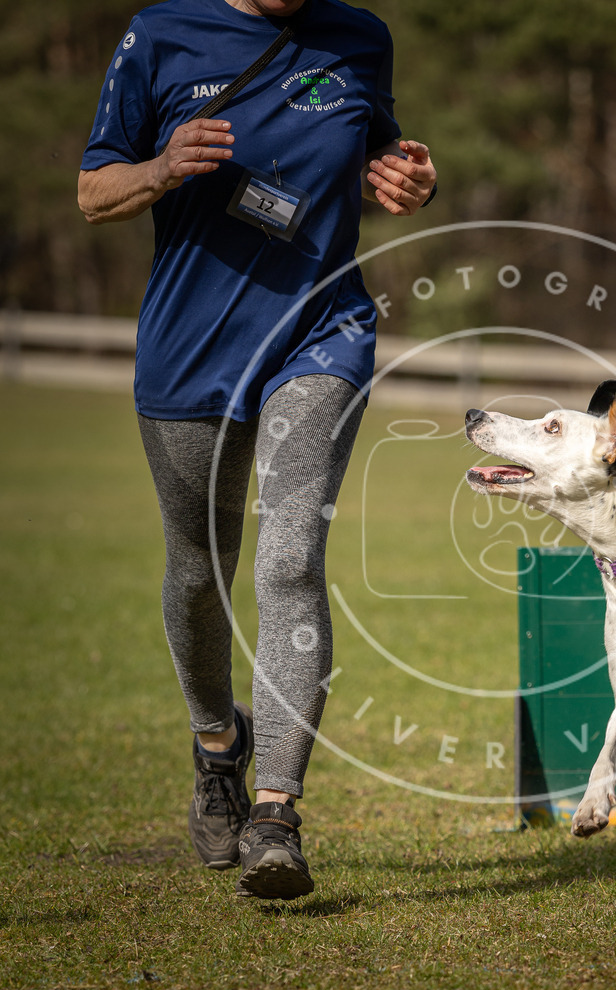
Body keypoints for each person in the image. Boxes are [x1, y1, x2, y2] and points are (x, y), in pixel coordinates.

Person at [78, 0, 437, 901]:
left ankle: (275, 815)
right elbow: (92, 193)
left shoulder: (361, 38)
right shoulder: (161, 36)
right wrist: (161, 167)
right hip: (190, 347)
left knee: (288, 560)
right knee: (201, 571)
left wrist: (402, 181)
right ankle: (216, 745)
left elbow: (360, 162)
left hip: (322, 334)